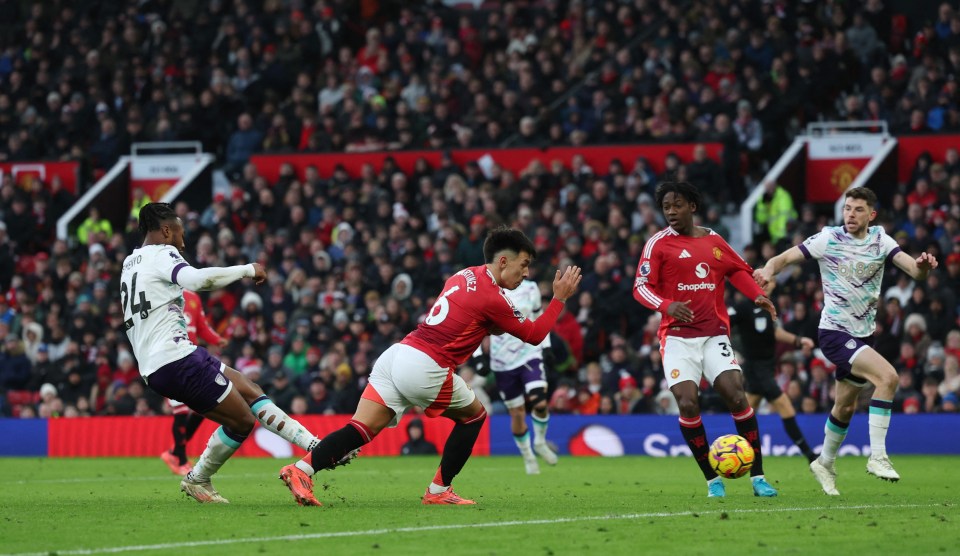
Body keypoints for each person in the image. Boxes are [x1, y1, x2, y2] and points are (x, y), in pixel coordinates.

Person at [278, 227, 582, 506]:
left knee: (360, 429)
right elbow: (534, 335)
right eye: (524, 264)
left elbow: (478, 320)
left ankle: (301, 469)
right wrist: (558, 299)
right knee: (473, 417)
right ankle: (438, 491)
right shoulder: (493, 297)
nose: (526, 273)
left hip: (397, 354)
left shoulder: (464, 275)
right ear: (503, 261)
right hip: (426, 365)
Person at [122, 203, 346, 504]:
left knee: (250, 389)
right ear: (165, 231)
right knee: (241, 421)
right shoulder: (162, 253)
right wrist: (247, 269)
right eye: (179, 233)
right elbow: (197, 281)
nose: (183, 241)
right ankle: (198, 479)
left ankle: (317, 446)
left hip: (164, 360)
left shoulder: (129, 263)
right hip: (175, 358)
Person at [755, 186, 938, 495]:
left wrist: (921, 267)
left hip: (863, 334)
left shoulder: (881, 240)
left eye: (857, 210)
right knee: (888, 377)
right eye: (847, 209)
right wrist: (767, 268)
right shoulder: (829, 238)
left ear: (871, 215)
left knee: (844, 407)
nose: (850, 215)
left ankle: (824, 463)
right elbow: (784, 258)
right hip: (834, 333)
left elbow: (913, 271)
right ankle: (877, 456)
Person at [632, 181, 778, 498]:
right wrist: (666, 305)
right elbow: (640, 287)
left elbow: (737, 270)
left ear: (692, 206)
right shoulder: (657, 244)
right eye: (666, 207)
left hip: (713, 334)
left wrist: (757, 296)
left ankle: (758, 477)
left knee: (736, 395)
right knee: (686, 403)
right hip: (677, 338)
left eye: (677, 205)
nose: (671, 211)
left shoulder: (713, 240)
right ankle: (713, 480)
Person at [474, 278, 558, 475]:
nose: (524, 270)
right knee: (517, 413)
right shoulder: (489, 292)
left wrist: (546, 347)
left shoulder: (531, 287)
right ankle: (528, 455)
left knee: (540, 402)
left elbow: (538, 317)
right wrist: (478, 357)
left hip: (530, 353)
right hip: (502, 362)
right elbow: (475, 325)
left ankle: (539, 441)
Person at [729, 285, 818, 463]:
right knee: (785, 406)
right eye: (765, 282)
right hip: (756, 368)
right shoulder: (743, 307)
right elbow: (724, 324)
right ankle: (811, 456)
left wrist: (799, 341)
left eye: (771, 282)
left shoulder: (770, 306)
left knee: (746, 415)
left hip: (767, 367)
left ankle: (733, 454)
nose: (769, 285)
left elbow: (776, 332)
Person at [160, 289, 230, 476]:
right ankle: (181, 460)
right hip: (171, 358)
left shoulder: (193, 297)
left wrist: (217, 339)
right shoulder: (162, 294)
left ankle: (174, 452)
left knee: (202, 407)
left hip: (192, 357)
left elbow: (201, 326)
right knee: (181, 411)